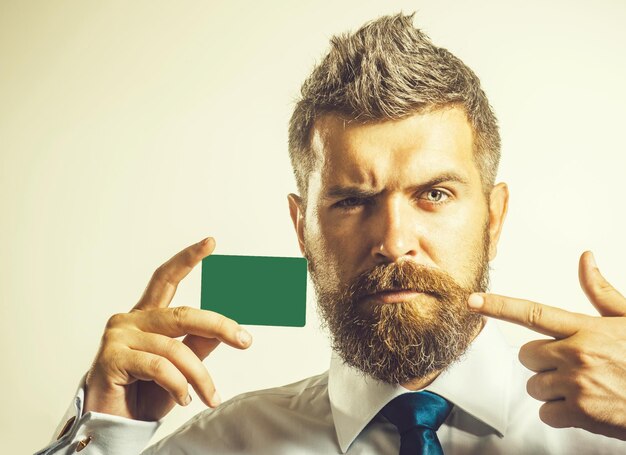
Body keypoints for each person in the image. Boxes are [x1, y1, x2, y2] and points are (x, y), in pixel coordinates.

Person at [38, 13, 626, 454]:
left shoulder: (609, 428)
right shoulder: (221, 445)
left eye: (434, 194)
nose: (394, 241)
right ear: (302, 228)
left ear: (494, 219)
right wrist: (107, 431)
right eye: (351, 201)